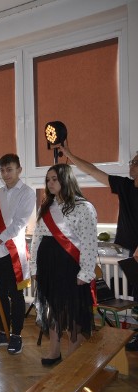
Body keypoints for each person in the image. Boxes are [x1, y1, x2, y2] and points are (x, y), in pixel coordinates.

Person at [59, 146, 138, 351]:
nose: (131, 165)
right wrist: (70, 154)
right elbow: (93, 171)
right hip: (126, 252)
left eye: (135, 162)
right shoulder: (125, 186)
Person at [30, 164, 97, 365]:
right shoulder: (46, 206)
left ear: (66, 180)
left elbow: (89, 242)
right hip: (48, 265)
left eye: (54, 179)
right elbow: (36, 239)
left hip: (70, 265)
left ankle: (73, 354)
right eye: (48, 180)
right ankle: (54, 351)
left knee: (73, 310)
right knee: (53, 308)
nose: (50, 183)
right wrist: (34, 267)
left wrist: (85, 272)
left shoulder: (84, 207)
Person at [0, 153, 35, 355]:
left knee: (15, 294)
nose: (5, 174)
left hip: (13, 251)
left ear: (19, 170)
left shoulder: (27, 193)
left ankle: (17, 335)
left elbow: (19, 224)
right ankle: (3, 332)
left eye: (9, 169)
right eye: (2, 170)